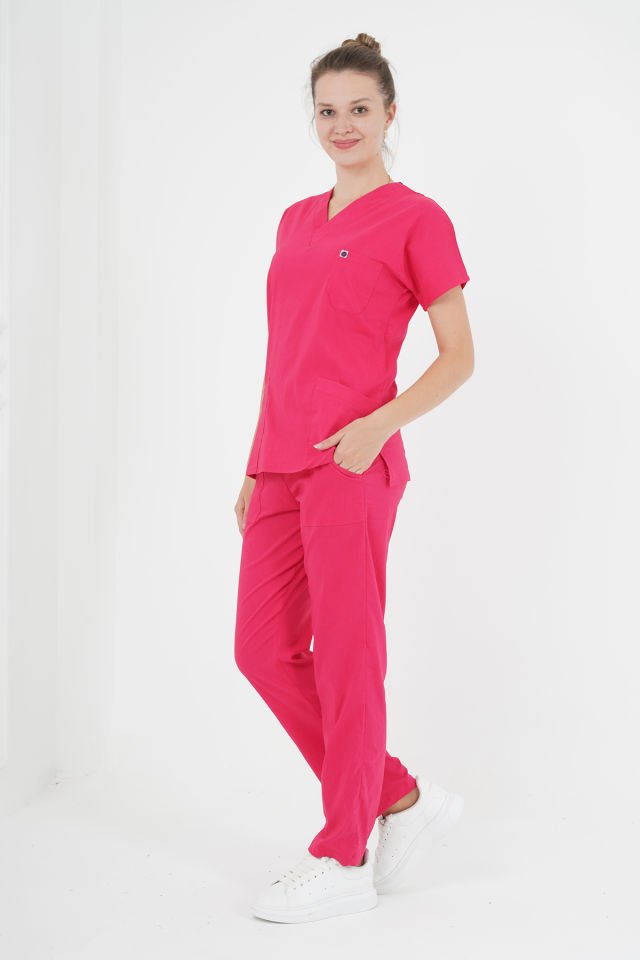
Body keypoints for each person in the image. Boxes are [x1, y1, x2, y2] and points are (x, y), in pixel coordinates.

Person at [233, 32, 473, 924]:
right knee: (261, 650)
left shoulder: (417, 219)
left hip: (350, 463)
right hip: (279, 463)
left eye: (360, 109)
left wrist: (379, 425)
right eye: (328, 110)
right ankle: (398, 794)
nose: (343, 125)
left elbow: (458, 356)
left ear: (389, 114)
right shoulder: (296, 220)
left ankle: (343, 855)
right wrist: (253, 463)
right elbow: (283, 354)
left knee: (345, 656)